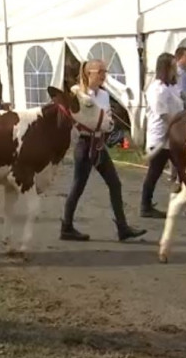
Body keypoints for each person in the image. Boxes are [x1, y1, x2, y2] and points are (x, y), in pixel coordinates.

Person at [60, 59, 147, 242]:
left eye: (104, 71)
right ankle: (66, 227)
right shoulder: (77, 93)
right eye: (100, 71)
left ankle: (122, 228)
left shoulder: (104, 95)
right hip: (84, 144)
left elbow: (107, 120)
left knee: (114, 183)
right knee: (78, 186)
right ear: (89, 73)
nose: (103, 75)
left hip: (99, 143)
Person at [140, 53, 186, 219]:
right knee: (155, 172)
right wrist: (184, 122)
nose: (176, 70)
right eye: (173, 66)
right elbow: (165, 116)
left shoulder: (171, 87)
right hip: (160, 137)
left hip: (173, 137)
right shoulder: (157, 89)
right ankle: (145, 205)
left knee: (183, 170)